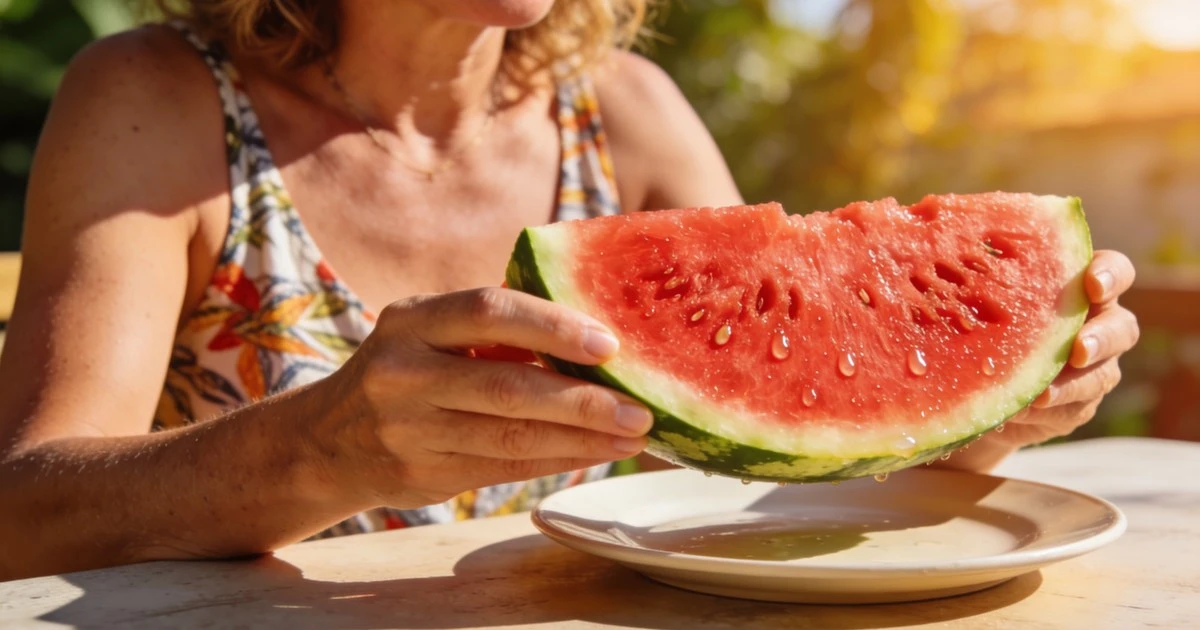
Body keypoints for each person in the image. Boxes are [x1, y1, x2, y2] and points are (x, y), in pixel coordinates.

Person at [0, 0, 1139, 581]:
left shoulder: (626, 111)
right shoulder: (158, 100)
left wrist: (989, 408)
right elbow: (21, 511)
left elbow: (791, 432)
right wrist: (322, 449)